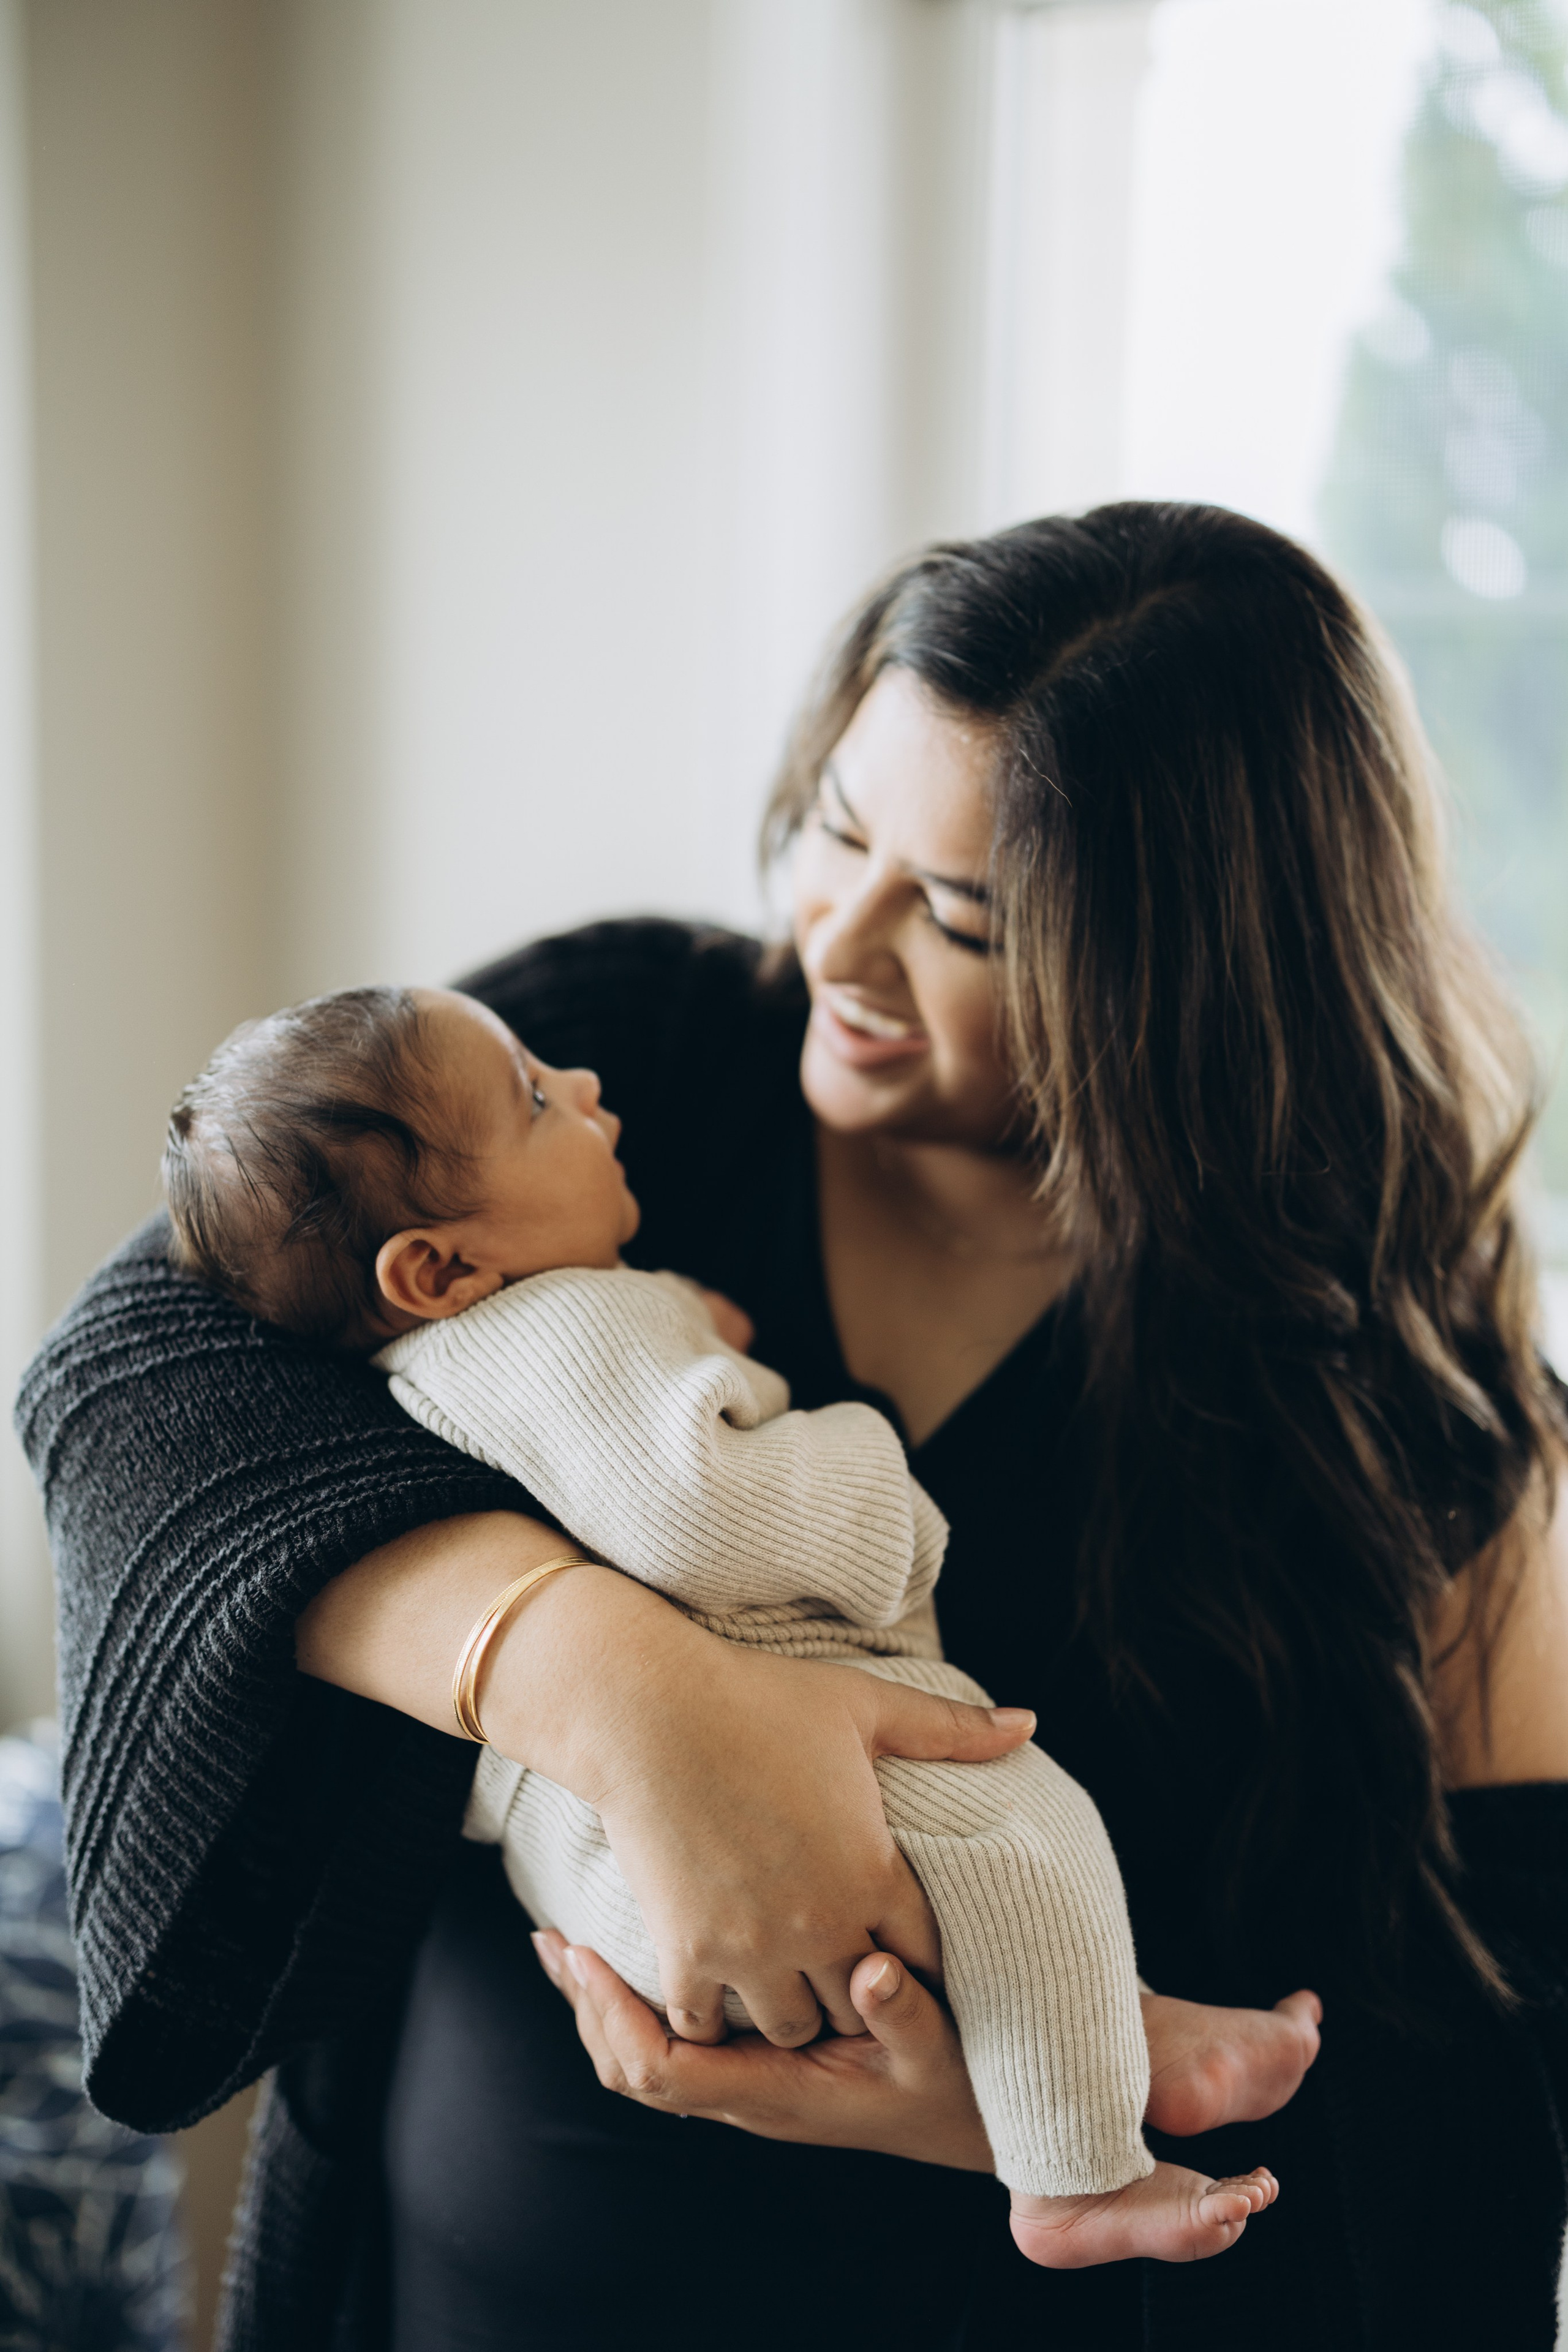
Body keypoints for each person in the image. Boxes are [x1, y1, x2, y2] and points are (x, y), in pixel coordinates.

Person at [16, 502, 1568, 2350]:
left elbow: (1479, 2156)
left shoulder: (1420, 1415)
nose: (835, 936)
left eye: (967, 917)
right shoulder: (635, 1062)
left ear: (1194, 982)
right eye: (841, 826)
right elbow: (125, 1375)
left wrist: (1022, 2111)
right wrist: (608, 1682)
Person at [156, 976, 1313, 2260]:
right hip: (719, 1793)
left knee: (987, 1895)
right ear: (434, 1265)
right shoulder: (562, 1328)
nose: (588, 1088)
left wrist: (677, 1330)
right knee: (1023, 1834)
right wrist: (875, 1499)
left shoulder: (480, 1340)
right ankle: (1076, 2176)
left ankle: (1120, 2031)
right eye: (538, 1098)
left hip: (608, 1874)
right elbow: (696, 1511)